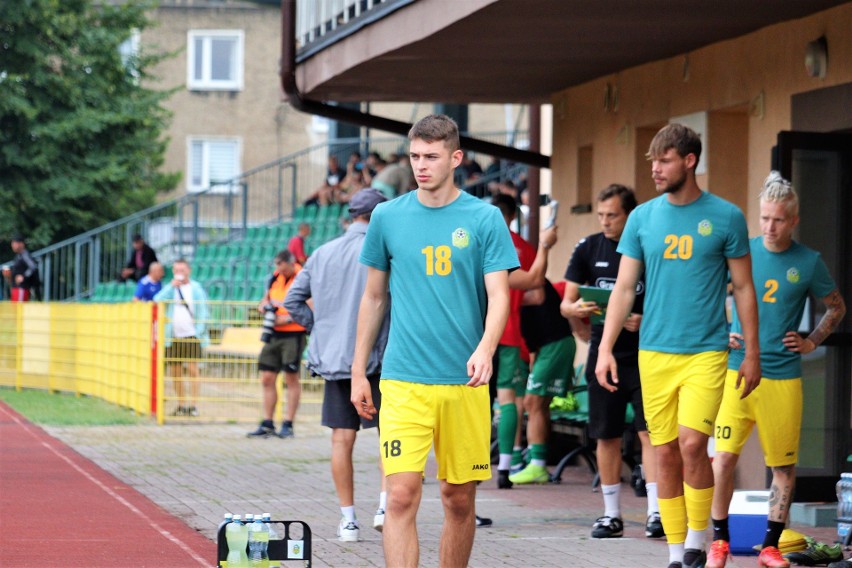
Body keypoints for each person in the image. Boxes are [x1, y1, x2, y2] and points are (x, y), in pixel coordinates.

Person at [350, 114, 519, 568]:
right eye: (415, 156)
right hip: (403, 378)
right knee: (401, 497)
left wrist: (485, 348)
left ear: (456, 158)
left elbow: (499, 294)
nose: (421, 165)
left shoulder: (484, 218)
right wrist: (357, 371)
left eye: (431, 156)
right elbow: (372, 296)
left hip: (463, 382)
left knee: (458, 500)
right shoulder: (387, 216)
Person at [594, 123, 761, 568]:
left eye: (664, 160)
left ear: (689, 161)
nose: (655, 169)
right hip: (653, 352)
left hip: (706, 351)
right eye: (652, 161)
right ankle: (675, 551)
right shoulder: (643, 218)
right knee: (663, 449)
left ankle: (697, 538)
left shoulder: (726, 216)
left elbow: (743, 288)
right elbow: (624, 287)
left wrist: (753, 353)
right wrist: (606, 348)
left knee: (691, 445)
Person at [706, 172, 847, 568]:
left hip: (782, 377)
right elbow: (711, 290)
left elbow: (837, 306)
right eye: (764, 218)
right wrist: (721, 330)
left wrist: (812, 341)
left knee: (782, 467)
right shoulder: (742, 251)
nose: (769, 227)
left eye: (778, 220)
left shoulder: (808, 262)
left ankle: (769, 547)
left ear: (794, 220)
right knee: (723, 460)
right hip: (736, 372)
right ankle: (719, 543)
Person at [284, 188, 390, 543]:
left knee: (341, 440)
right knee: (388, 437)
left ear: (350, 215)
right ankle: (385, 506)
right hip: (380, 358)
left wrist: (323, 328)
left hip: (336, 360)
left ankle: (348, 521)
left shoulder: (321, 252)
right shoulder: (385, 252)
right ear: (379, 217)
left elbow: (292, 300)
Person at [560, 184, 662, 539]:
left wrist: (642, 319)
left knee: (650, 433)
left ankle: (656, 512)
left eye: (612, 215)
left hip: (644, 354)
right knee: (606, 434)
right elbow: (566, 301)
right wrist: (576, 312)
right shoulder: (589, 247)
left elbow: (667, 302)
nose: (605, 222)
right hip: (604, 354)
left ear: (629, 215)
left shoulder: (649, 246)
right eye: (601, 215)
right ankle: (610, 514)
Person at [490, 193, 557, 489]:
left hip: (474, 336)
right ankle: (507, 465)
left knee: (476, 403)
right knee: (510, 402)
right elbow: (537, 290)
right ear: (512, 216)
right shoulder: (522, 248)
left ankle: (468, 467)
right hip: (509, 332)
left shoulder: (474, 242)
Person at [508, 278, 576, 487]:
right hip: (549, 346)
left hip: (555, 345)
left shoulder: (527, 279)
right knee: (540, 404)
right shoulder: (521, 281)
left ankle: (537, 465)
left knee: (533, 403)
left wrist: (545, 247)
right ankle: (537, 460)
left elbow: (533, 298)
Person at [246, 250, 306, 439]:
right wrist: (263, 306)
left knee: (291, 379)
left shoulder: (303, 276)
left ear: (289, 263)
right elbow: (267, 298)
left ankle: (288, 424)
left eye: (280, 265)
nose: (277, 268)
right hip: (273, 333)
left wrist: (286, 319)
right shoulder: (274, 278)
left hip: (294, 334)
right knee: (267, 378)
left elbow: (310, 304)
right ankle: (268, 423)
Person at [153, 259, 209, 417]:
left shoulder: (196, 288)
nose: (180, 273)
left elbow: (203, 310)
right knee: (175, 370)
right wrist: (171, 287)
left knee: (193, 370)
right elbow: (157, 300)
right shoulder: (170, 288)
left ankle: (194, 405)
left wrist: (199, 331)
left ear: (188, 271)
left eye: (182, 270)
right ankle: (181, 403)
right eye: (177, 270)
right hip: (173, 335)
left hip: (191, 334)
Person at [6, 236, 39, 302]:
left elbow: (33, 267)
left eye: (14, 243)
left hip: (21, 288)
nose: (13, 246)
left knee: (19, 310)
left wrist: (24, 276)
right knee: (15, 310)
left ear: (21, 244)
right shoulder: (18, 256)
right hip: (16, 287)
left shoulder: (25, 254)